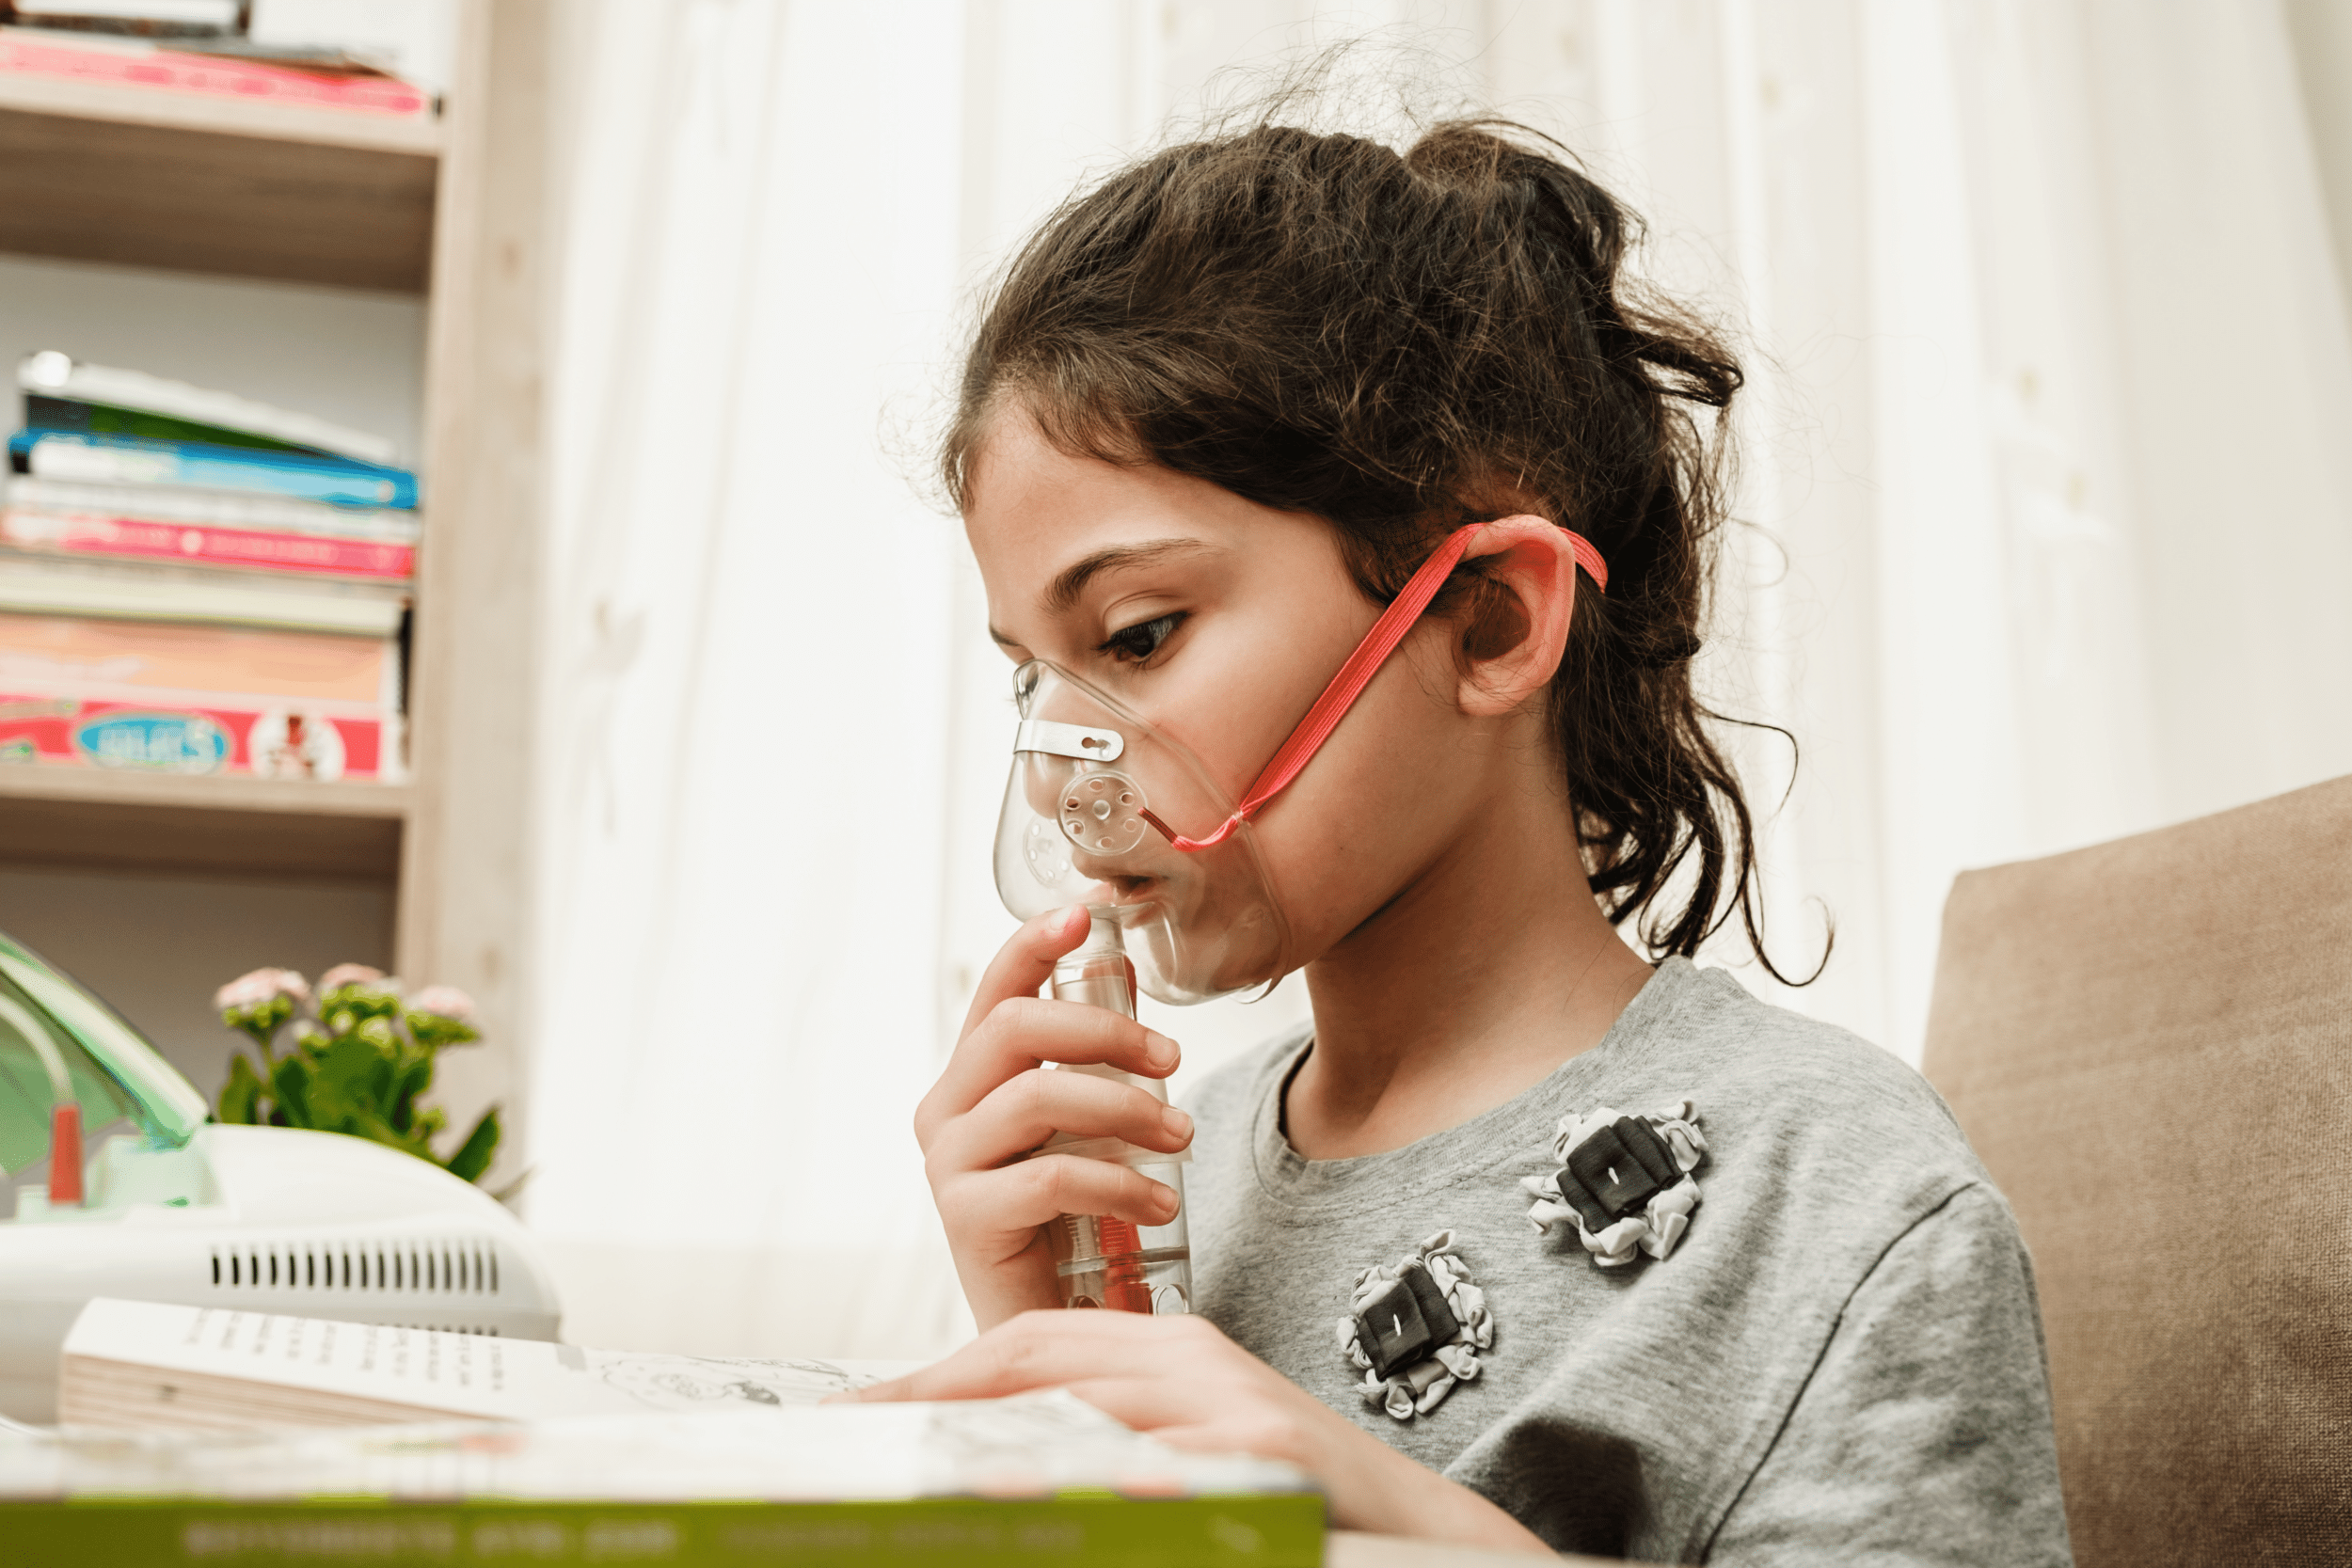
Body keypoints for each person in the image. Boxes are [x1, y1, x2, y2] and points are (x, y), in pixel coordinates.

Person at [845, 116, 2072, 1564]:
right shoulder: (1160, 1188)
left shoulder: (1835, 1203)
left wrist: (1391, 1519)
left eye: (1137, 634)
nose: (1061, 780)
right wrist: (1048, 1365)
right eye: (1029, 676)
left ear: (1490, 620)